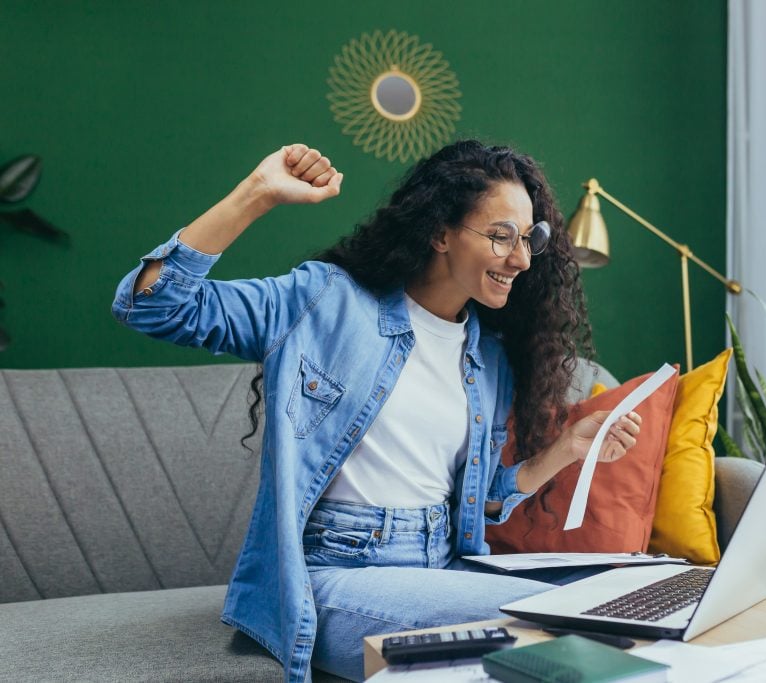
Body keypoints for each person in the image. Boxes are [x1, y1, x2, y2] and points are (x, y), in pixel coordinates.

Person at [112, 140, 643, 682]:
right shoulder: (326, 302)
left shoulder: (488, 355)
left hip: (443, 567)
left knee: (638, 596)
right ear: (440, 233)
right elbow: (152, 305)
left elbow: (477, 501)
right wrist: (258, 194)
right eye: (501, 237)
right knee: (561, 622)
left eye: (530, 239)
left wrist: (566, 449)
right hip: (338, 575)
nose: (522, 259)